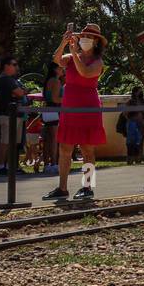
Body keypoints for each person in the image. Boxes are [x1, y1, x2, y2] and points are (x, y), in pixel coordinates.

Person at [44, 23, 107, 202]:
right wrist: (63, 43)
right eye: (83, 36)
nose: (85, 39)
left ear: (96, 42)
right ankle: (62, 188)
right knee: (64, 148)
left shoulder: (97, 61)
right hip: (70, 106)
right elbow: (56, 60)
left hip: (88, 107)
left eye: (90, 37)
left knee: (87, 149)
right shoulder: (72, 57)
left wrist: (73, 53)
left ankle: (87, 187)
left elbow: (85, 73)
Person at [0, 56, 28, 175]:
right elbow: (20, 92)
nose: (16, 67)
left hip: (16, 115)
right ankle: (0, 167)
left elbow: (21, 92)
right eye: (14, 64)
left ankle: (10, 166)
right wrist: (20, 91)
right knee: (5, 142)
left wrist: (21, 91)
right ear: (6, 66)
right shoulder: (5, 79)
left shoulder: (12, 80)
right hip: (7, 115)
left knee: (13, 143)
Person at [41, 60, 64, 175]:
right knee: (54, 139)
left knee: (48, 139)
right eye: (60, 67)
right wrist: (67, 100)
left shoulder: (48, 81)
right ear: (55, 69)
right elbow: (55, 99)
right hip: (55, 109)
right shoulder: (56, 81)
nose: (62, 69)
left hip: (47, 110)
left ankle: (46, 164)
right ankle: (54, 163)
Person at [122, 88, 144, 164]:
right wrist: (131, 120)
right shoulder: (130, 102)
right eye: (138, 91)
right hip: (132, 124)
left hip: (141, 124)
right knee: (131, 142)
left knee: (140, 142)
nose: (140, 93)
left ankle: (138, 159)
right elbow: (125, 113)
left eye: (141, 91)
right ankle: (130, 159)